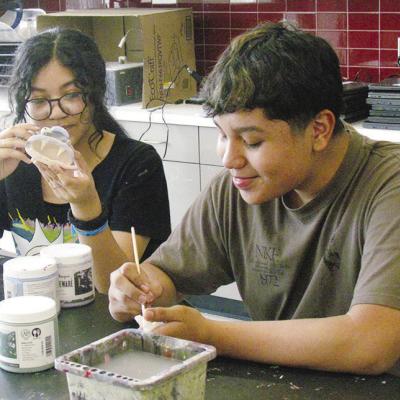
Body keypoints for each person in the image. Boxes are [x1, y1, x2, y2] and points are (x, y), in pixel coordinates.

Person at [108, 22, 400, 375]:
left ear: (319, 130)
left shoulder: (388, 186)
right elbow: (167, 277)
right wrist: (142, 288)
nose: (229, 159)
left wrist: (212, 334)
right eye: (221, 135)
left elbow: (371, 344)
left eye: (252, 141)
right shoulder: (237, 186)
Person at [0, 28, 171, 293]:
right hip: (37, 318)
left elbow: (115, 290)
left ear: (95, 95)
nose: (56, 113)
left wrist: (85, 204)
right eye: (38, 100)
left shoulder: (136, 164)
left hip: (113, 326)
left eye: (71, 96)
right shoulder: (14, 165)